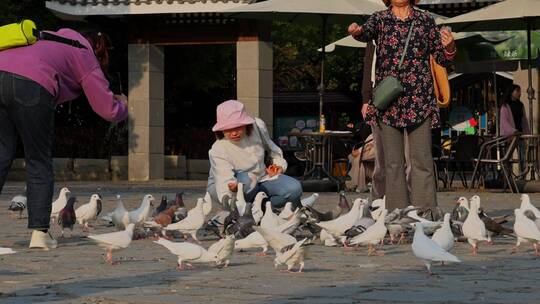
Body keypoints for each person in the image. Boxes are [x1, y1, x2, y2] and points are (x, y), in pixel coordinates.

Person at [0, 28, 128, 250]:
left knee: (1, 154)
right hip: (32, 85)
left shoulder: (47, 36)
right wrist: (123, 105)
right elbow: (107, 109)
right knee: (38, 159)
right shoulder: (83, 53)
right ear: (99, 49)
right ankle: (40, 234)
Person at [348, 0, 456, 211]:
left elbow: (442, 59)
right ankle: (397, 215)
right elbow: (364, 34)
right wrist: (355, 31)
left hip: (420, 100)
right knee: (392, 164)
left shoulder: (425, 20)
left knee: (421, 161)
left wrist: (450, 46)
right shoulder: (379, 19)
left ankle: (425, 214)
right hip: (388, 102)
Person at [207, 100, 303, 209]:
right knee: (248, 180)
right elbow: (223, 180)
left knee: (294, 189)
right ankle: (240, 211)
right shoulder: (218, 149)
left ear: (246, 124)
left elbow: (273, 150)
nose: (233, 133)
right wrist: (232, 190)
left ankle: (259, 209)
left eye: (238, 127)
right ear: (221, 130)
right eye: (228, 129)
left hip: (262, 179)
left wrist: (278, 166)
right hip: (229, 184)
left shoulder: (257, 126)